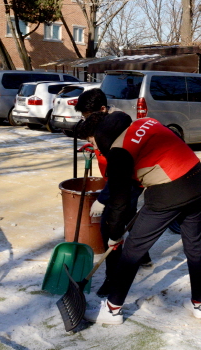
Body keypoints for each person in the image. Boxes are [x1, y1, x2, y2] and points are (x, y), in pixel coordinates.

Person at [80, 111, 201, 324]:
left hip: (168, 191)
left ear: (101, 134)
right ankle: (199, 303)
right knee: (194, 245)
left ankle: (113, 309)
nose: (94, 147)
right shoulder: (145, 122)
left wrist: (114, 236)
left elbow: (119, 203)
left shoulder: (119, 153)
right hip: (196, 180)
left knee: (133, 248)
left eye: (92, 141)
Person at [74, 90, 151, 299]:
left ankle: (112, 278)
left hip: (127, 181)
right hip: (115, 179)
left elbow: (122, 171)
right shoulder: (102, 124)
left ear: (101, 110)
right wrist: (92, 147)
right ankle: (142, 255)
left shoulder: (118, 127)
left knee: (112, 226)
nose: (85, 119)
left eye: (87, 115)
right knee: (126, 220)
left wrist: (103, 198)